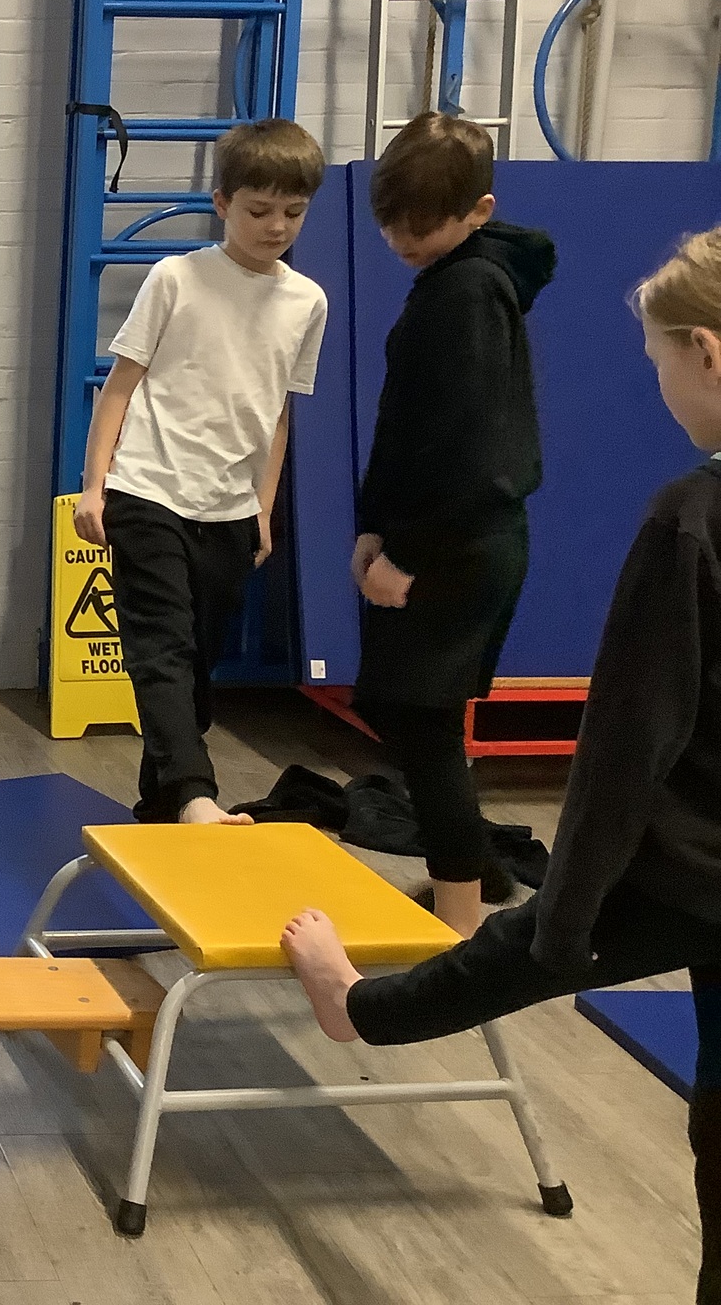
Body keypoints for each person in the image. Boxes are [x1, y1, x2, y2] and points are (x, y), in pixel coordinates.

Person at [284, 225, 721, 1302]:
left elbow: (626, 745)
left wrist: (566, 918)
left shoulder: (691, 522)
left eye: (657, 361)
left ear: (704, 354)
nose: (660, 384)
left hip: (698, 873)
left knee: (527, 945)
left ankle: (356, 1006)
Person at [75, 119, 329, 825]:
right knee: (161, 650)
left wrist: (263, 508)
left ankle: (161, 806)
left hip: (230, 510)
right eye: (259, 210)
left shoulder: (307, 301)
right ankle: (194, 794)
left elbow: (278, 415)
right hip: (148, 490)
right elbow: (119, 388)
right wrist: (95, 486)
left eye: (293, 212)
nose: (276, 226)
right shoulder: (177, 278)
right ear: (222, 203)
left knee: (194, 671)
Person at [353, 112, 557, 936]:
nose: (403, 241)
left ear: (478, 212)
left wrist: (405, 553)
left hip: (461, 542)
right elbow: (407, 422)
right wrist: (374, 526)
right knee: (401, 710)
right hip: (452, 533)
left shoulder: (469, 290)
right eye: (392, 224)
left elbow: (462, 444)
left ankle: (462, 928)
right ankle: (478, 873)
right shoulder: (457, 275)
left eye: (423, 226)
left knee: (421, 719)